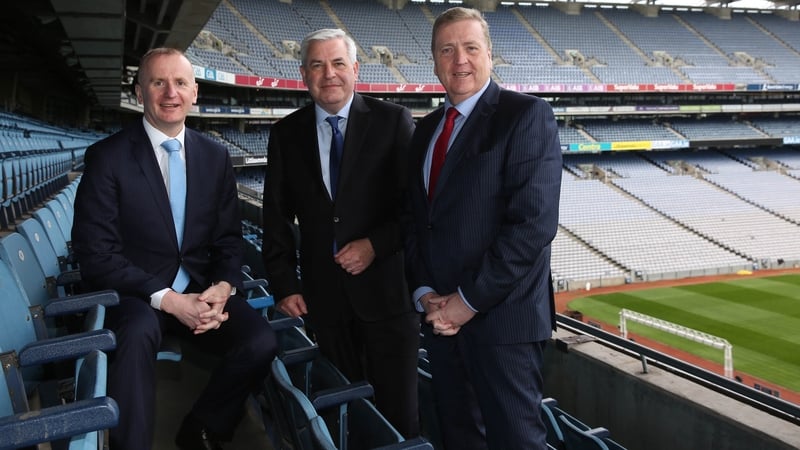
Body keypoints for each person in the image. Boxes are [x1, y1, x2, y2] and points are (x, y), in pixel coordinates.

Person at [71, 47, 277, 450]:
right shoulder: (107, 157)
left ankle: (203, 428)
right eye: (158, 82)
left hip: (200, 289)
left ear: (194, 92)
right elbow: (96, 254)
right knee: (135, 338)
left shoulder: (215, 155)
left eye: (180, 82)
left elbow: (228, 239)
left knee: (261, 341)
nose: (170, 93)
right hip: (138, 295)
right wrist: (168, 300)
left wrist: (223, 286)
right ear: (139, 91)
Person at [404, 7, 563, 450]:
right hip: (438, 320)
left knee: (515, 442)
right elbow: (415, 221)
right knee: (458, 438)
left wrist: (467, 301)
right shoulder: (426, 130)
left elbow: (532, 226)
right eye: (447, 50)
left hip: (502, 323)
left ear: (490, 55)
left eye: (471, 48)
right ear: (434, 61)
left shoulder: (526, 116)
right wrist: (424, 292)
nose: (460, 60)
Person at [261, 28, 420, 439]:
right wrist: (284, 285)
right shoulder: (286, 134)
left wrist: (374, 245)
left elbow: (416, 209)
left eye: (337, 63)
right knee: (344, 418)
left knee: (398, 416)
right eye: (317, 65)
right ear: (303, 74)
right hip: (323, 301)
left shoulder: (393, 121)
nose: (328, 74)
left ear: (355, 69)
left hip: (387, 298)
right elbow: (275, 218)